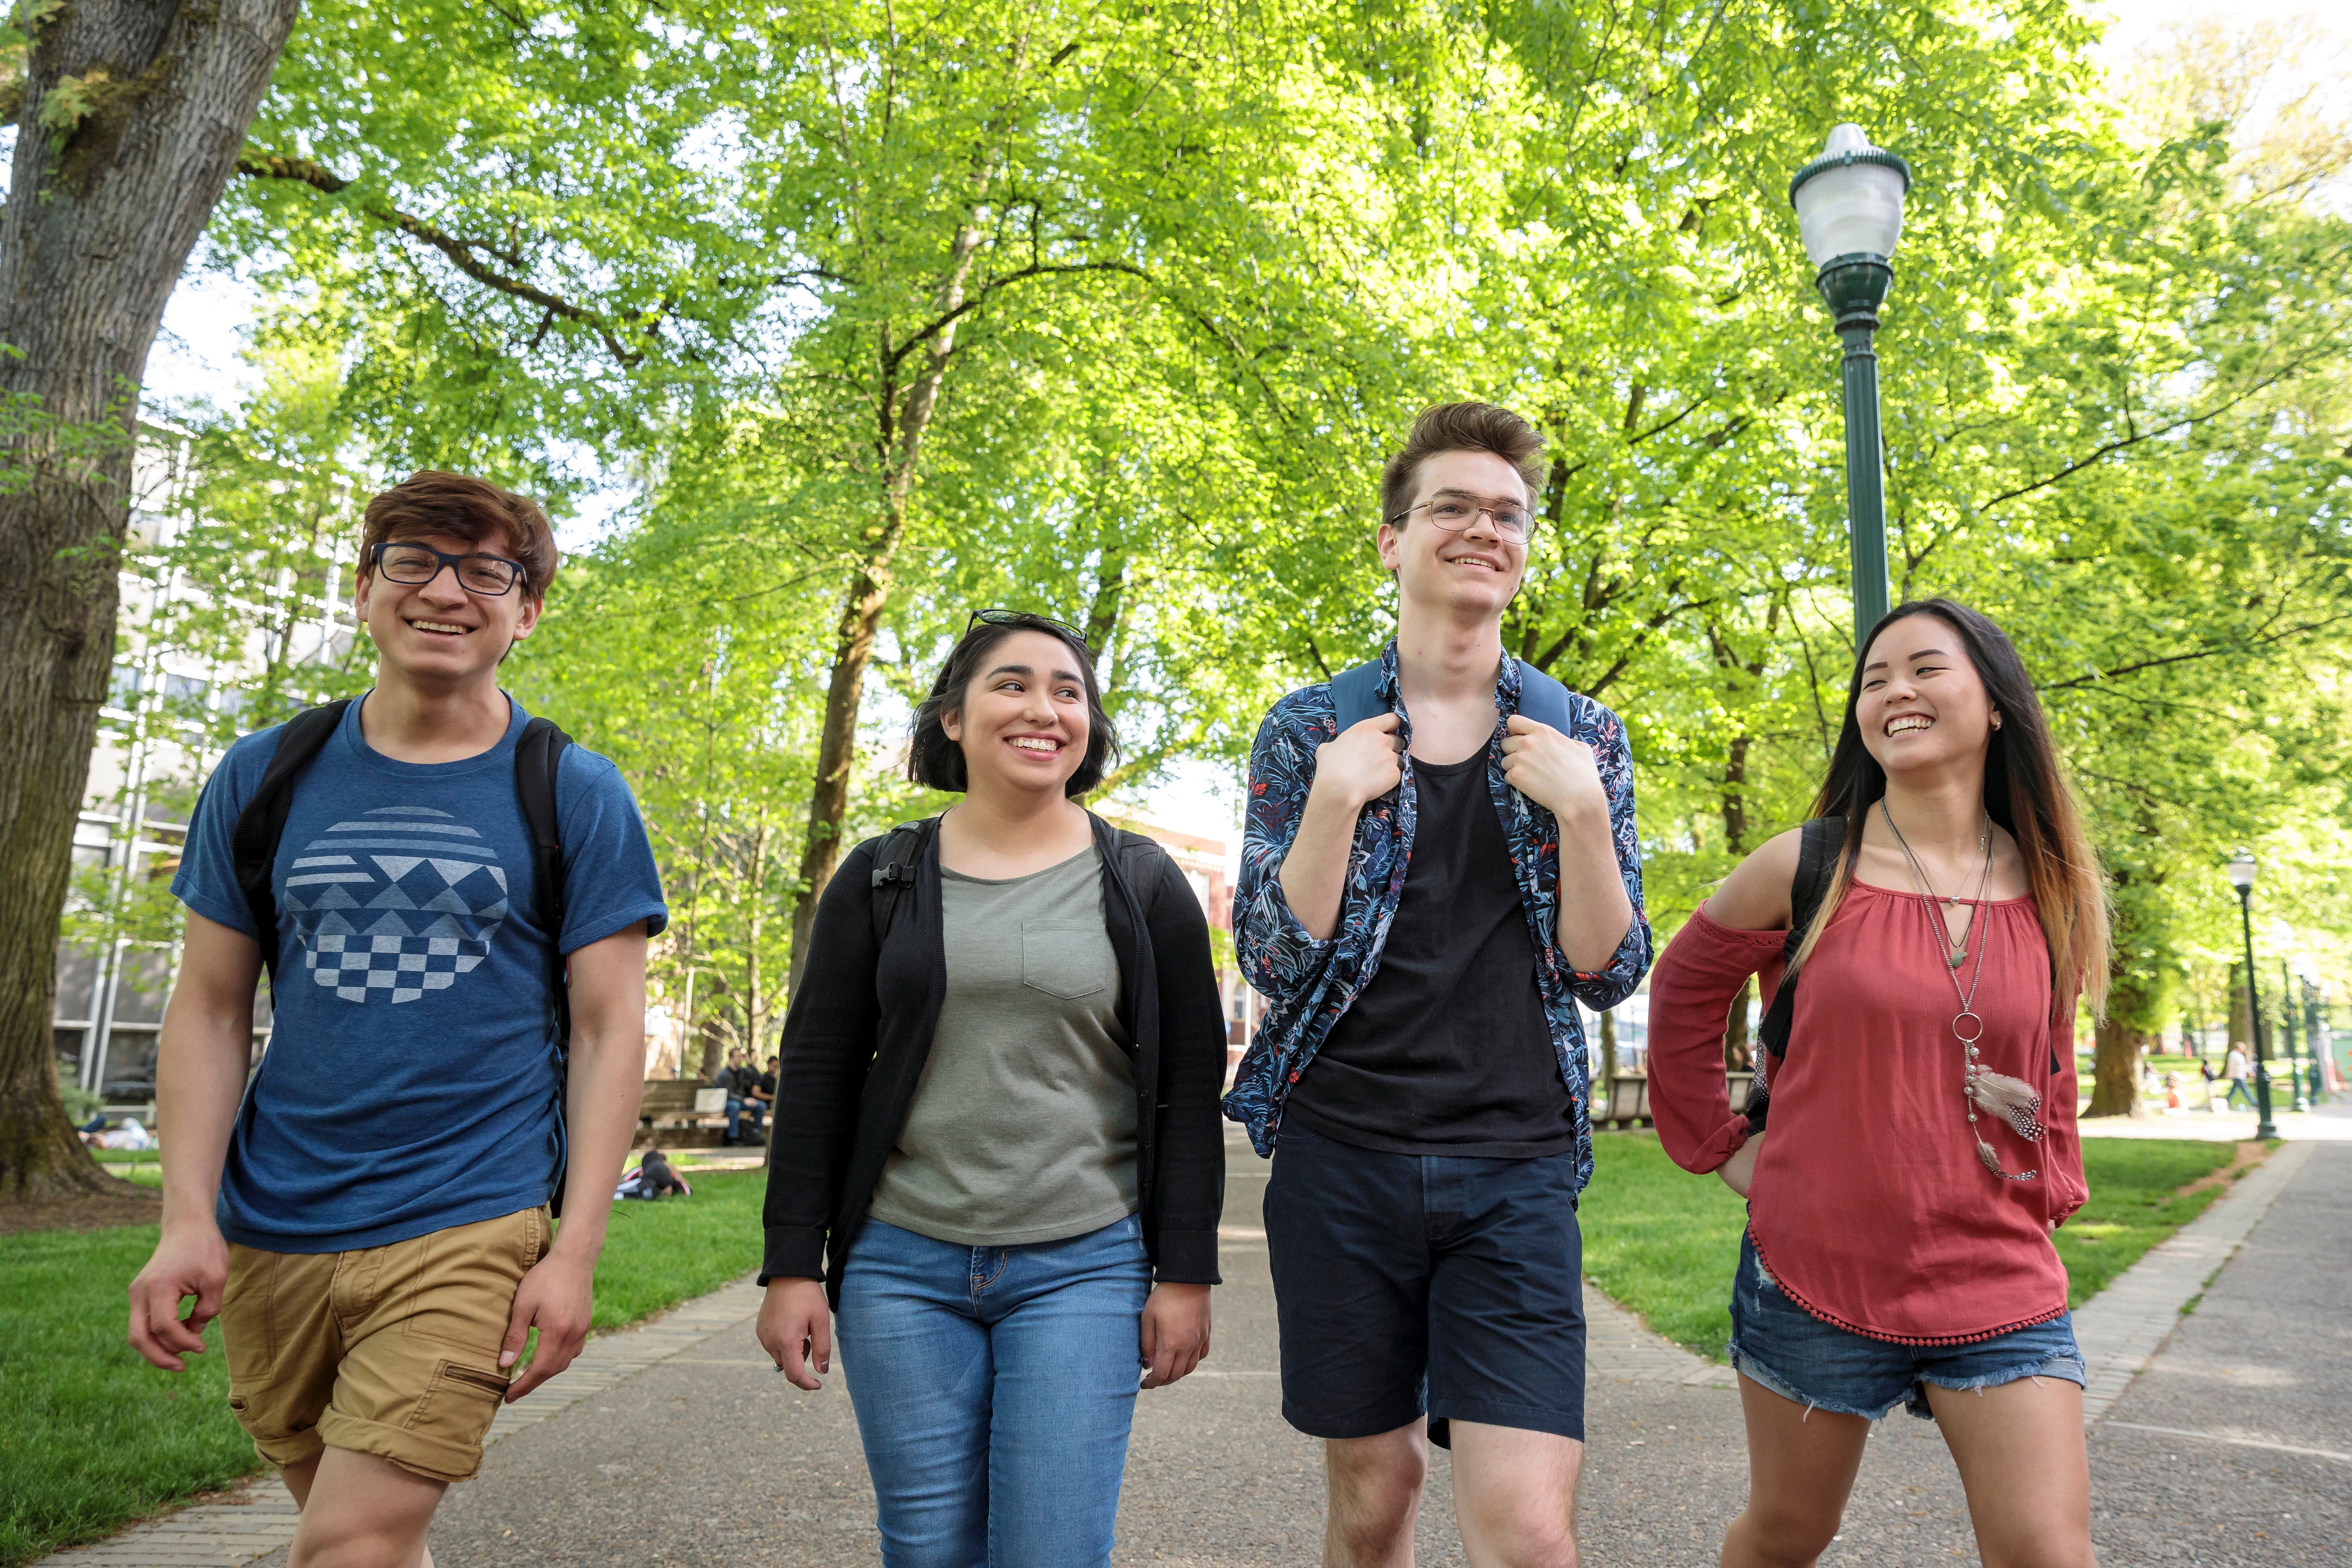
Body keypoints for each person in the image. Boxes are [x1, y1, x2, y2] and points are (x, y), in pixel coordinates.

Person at [128, 471, 668, 1568]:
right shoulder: (264, 773)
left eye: (488, 570)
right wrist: (187, 1213)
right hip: (274, 1220)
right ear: (366, 587)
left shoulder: (574, 790)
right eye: (415, 559)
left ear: (527, 609)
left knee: (353, 1541)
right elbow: (211, 1004)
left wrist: (577, 1249)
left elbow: (613, 1029)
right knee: (362, 1532)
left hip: (468, 1215)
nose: (448, 590)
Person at [1226, 402, 1651, 1568]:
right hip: (1343, 1159)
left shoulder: (1584, 736)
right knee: (1377, 1496)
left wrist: (1580, 815)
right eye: (1452, 507)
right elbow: (1269, 955)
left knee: (1526, 1527)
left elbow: (1609, 968)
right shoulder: (1311, 728)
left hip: (1513, 1166)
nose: (1484, 529)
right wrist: (1329, 800)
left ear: (1526, 546)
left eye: (1508, 514)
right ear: (1393, 540)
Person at [756, 610, 1226, 1568]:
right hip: (901, 1265)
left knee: (1052, 1550)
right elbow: (817, 1077)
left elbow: (1185, 1087)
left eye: (1068, 691)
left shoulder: (1142, 883)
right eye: (1011, 685)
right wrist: (793, 1265)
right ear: (954, 721)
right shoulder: (882, 877)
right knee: (928, 1550)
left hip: (1084, 1264)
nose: (1044, 709)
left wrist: (1184, 1273)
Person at [1645, 598, 2108, 1568]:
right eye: (1874, 678)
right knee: (1786, 1535)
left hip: (1999, 1278)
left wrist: (2053, 1176)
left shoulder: (2055, 883)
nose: (1894, 690)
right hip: (1815, 1273)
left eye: (1925, 668)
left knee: (2049, 1554)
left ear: (1994, 706)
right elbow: (1686, 986)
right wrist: (1718, 1146)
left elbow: (2048, 1059)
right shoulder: (1807, 863)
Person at [714, 1048, 765, 1146]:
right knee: (735, 1106)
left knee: (761, 1106)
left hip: (741, 1101)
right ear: (731, 1059)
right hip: (726, 1102)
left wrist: (749, 1062)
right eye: (737, 1056)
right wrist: (745, 1100)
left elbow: (757, 1076)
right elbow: (728, 1094)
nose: (740, 1059)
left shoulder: (743, 1072)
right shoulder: (724, 1075)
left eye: (741, 1057)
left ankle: (758, 1135)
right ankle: (734, 1138)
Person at [617, 1148, 691, 1201]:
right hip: (640, 1188)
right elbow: (622, 1183)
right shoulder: (641, 1170)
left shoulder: (668, 1174)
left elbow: (687, 1189)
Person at [2222, 1042, 2256, 1111]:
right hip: (2237, 1076)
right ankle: (2254, 1103)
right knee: (2245, 1090)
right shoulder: (2233, 1055)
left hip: (2241, 1075)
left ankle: (2226, 1101)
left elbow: (2244, 1066)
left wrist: (2250, 1072)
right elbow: (2231, 1066)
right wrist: (2228, 1074)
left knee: (2233, 1091)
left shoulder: (2240, 1055)